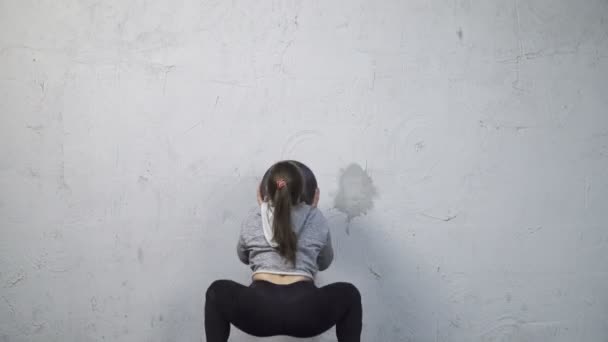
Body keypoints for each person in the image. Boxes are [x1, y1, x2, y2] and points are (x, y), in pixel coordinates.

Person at [204, 160, 362, 341]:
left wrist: (262, 210)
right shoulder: (317, 218)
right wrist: (311, 211)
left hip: (257, 312)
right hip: (306, 313)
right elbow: (324, 263)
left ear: (263, 191)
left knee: (216, 291)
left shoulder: (253, 217)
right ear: (307, 192)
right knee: (350, 294)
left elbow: (244, 257)